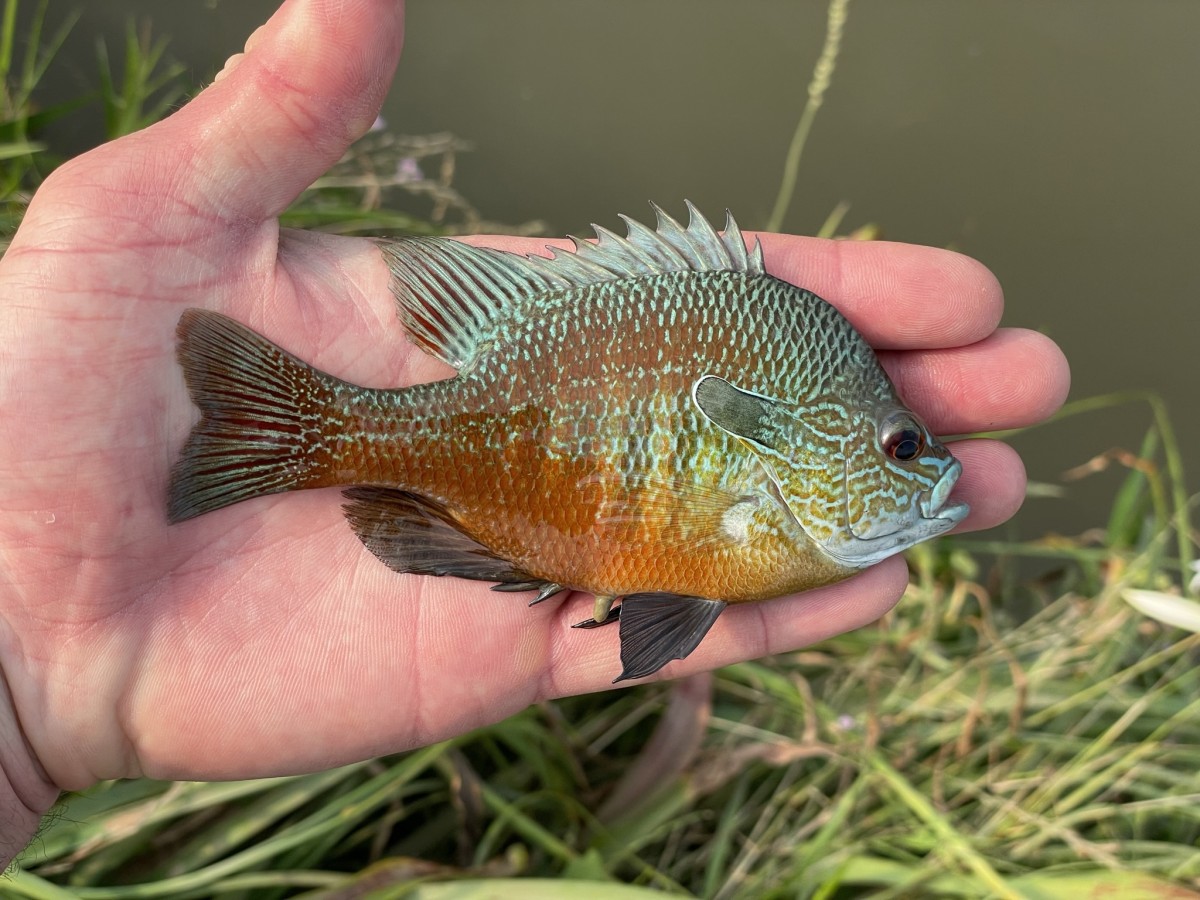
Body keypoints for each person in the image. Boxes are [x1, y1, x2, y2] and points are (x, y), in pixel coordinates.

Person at [0, 0, 1068, 866]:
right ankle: (306, 431)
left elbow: (674, 580)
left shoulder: (782, 460)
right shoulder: (776, 453)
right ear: (799, 434)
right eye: (897, 448)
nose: (927, 473)